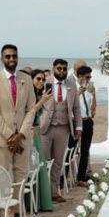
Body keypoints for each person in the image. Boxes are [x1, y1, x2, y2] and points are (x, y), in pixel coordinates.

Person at [0, 44, 39, 217]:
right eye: (7, 57)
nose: (11, 60)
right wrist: (10, 135)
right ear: (2, 59)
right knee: (1, 180)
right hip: (3, 141)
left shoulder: (26, 79)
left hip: (22, 139)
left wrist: (21, 134)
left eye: (14, 56)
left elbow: (30, 109)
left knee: (20, 180)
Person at [41, 59, 83, 198]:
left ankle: (54, 191)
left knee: (58, 161)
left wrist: (78, 127)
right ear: (53, 68)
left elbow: (76, 108)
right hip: (45, 128)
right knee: (44, 162)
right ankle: (43, 194)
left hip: (64, 128)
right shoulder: (45, 81)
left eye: (65, 69)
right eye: (59, 68)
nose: (62, 71)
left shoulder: (71, 84)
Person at [28, 69, 53, 212]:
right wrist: (42, 101)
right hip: (30, 131)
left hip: (36, 131)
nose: (41, 82)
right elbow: (30, 113)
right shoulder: (29, 95)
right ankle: (32, 203)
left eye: (43, 79)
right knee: (33, 166)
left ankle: (40, 202)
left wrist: (44, 99)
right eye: (38, 79)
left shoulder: (38, 94)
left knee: (40, 166)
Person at [76, 65, 97, 185]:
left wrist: (93, 94)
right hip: (78, 121)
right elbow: (70, 103)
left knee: (85, 150)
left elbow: (92, 105)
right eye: (86, 77)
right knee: (73, 149)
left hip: (88, 121)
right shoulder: (74, 88)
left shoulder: (89, 88)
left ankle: (81, 177)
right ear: (80, 76)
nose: (89, 79)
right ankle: (63, 177)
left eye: (90, 77)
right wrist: (78, 93)